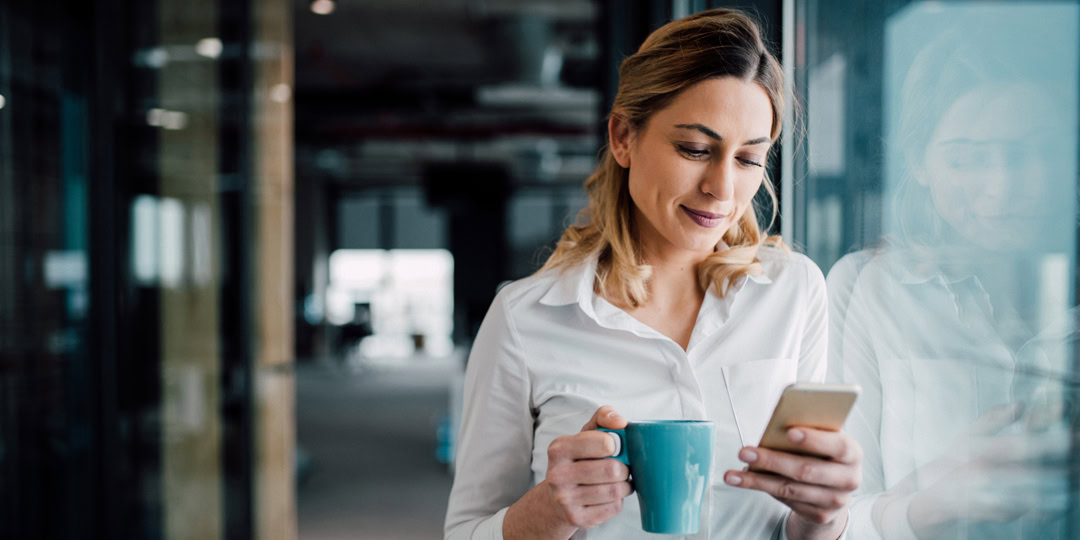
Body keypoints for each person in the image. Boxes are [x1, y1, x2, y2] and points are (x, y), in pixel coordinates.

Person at [445, 9, 860, 540]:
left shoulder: (794, 290)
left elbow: (800, 525)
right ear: (623, 137)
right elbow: (463, 531)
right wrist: (549, 511)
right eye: (694, 149)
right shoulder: (526, 318)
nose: (722, 189)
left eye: (749, 159)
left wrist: (826, 515)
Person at [825, 5, 1078, 539]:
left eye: (1032, 154)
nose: (1003, 190)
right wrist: (935, 502)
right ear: (919, 163)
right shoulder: (869, 289)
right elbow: (833, 522)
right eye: (966, 159)